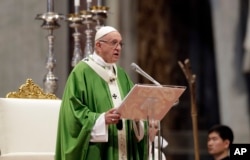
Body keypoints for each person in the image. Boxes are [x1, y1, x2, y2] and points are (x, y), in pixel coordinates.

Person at [55, 26, 148, 160]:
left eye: (120, 43)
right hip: (98, 151)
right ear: (98, 45)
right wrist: (101, 119)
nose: (118, 48)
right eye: (113, 43)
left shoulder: (121, 75)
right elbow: (72, 114)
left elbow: (134, 105)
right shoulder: (81, 72)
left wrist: (139, 119)